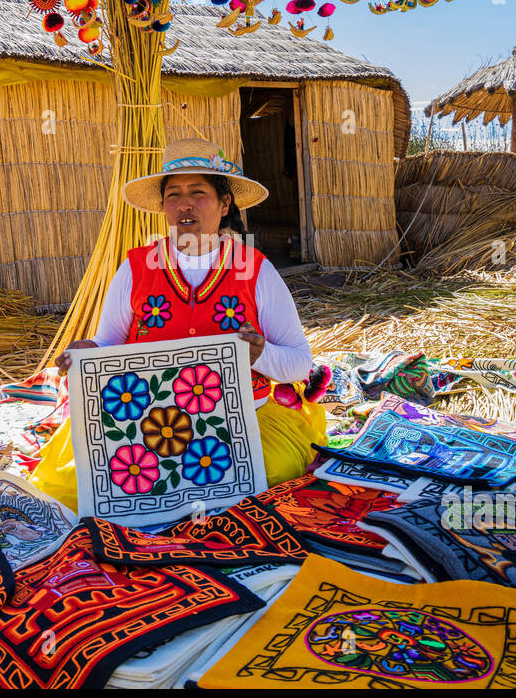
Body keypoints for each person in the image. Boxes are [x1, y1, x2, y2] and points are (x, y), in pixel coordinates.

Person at [30, 139, 325, 509]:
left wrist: (260, 354)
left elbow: (299, 363)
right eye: (173, 195)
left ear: (225, 203)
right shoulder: (136, 268)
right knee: (74, 486)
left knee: (274, 470)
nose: (184, 204)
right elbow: (107, 343)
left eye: (198, 192)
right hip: (142, 427)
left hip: (242, 421)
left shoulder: (255, 269)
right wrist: (89, 352)